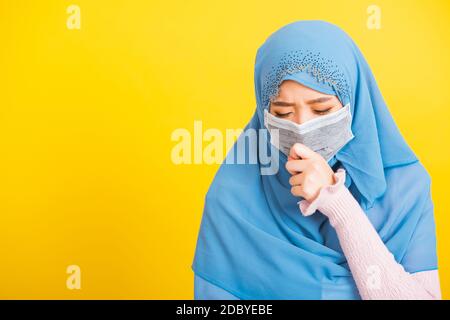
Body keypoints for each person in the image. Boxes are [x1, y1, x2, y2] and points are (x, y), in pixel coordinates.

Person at [192, 20, 441, 300]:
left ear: (353, 104)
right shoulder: (232, 198)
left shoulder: (407, 188)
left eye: (322, 110)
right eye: (283, 113)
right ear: (264, 116)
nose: (301, 128)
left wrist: (336, 202)